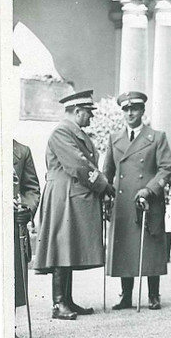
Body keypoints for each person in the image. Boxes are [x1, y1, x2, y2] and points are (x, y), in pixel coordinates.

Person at [34, 90, 114, 320]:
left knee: (67, 246)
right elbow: (78, 165)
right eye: (88, 113)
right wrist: (103, 184)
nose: (91, 117)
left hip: (72, 194)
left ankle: (66, 300)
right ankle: (59, 304)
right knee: (62, 246)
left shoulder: (73, 132)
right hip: (64, 195)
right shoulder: (62, 132)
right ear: (77, 111)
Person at [103, 92, 171, 311]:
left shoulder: (157, 137)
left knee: (150, 246)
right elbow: (108, 171)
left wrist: (149, 189)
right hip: (124, 203)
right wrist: (106, 193)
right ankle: (126, 296)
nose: (130, 113)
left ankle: (153, 295)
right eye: (125, 109)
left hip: (148, 200)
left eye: (134, 109)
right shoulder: (115, 139)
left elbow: (165, 169)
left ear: (142, 111)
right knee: (126, 246)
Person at [14, 139, 40, 338]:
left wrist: (27, 209)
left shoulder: (21, 151)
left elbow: (31, 188)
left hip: (11, 224)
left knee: (10, 275)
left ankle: (7, 325)